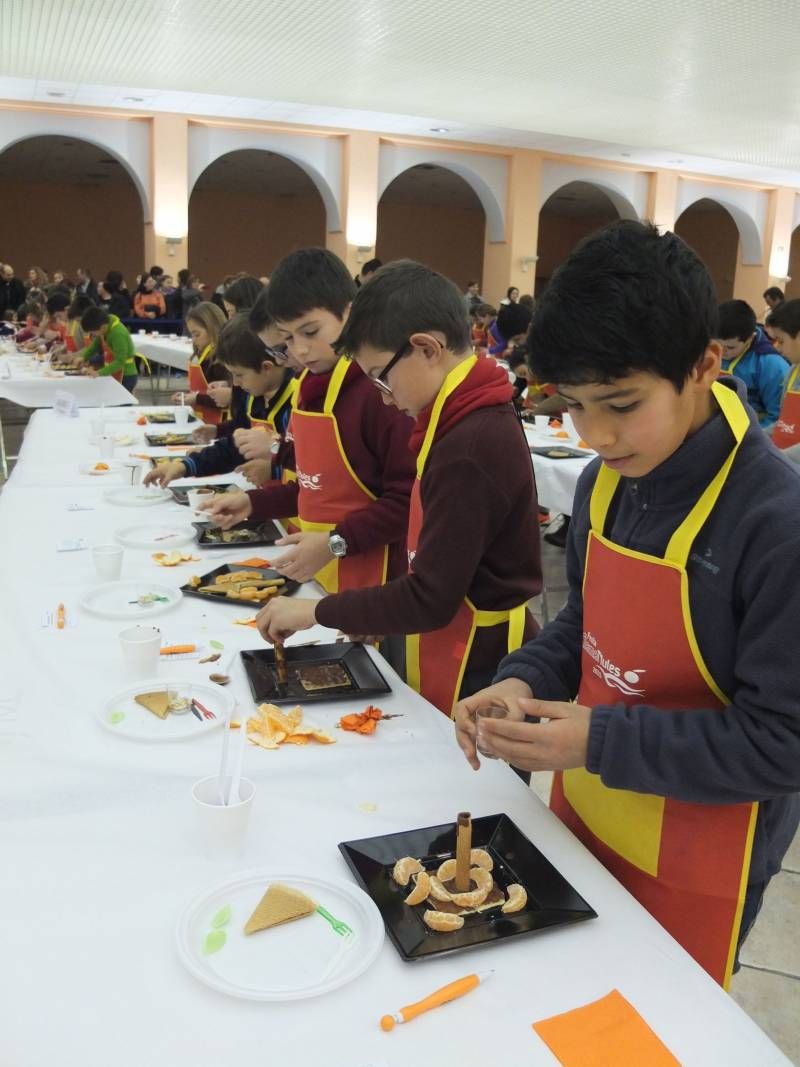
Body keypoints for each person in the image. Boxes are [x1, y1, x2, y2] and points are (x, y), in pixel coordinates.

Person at [453, 219, 800, 991]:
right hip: (588, 814)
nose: (597, 434)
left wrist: (601, 741)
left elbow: (781, 744)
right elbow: (588, 621)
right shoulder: (600, 480)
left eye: (621, 402)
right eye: (575, 405)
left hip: (706, 855)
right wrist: (523, 678)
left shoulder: (775, 523)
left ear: (705, 364)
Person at [251, 259, 542, 715]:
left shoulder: (470, 443)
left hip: (476, 658)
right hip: (438, 634)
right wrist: (377, 615)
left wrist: (315, 613)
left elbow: (430, 598)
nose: (383, 396)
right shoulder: (452, 418)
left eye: (381, 377)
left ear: (426, 349)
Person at [201, 247, 415, 593]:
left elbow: (408, 501)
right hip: (322, 570)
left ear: (349, 313)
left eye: (311, 332)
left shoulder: (380, 393)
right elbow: (316, 487)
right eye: (287, 339)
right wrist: (252, 503)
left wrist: (334, 543)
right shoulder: (308, 386)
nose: (298, 350)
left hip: (377, 580)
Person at [145, 314, 296, 491]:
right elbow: (234, 447)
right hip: (271, 503)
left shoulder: (297, 400)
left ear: (267, 368)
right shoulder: (252, 394)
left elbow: (315, 464)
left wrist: (275, 470)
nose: (236, 384)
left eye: (239, 375)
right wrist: (184, 466)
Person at [716, 299, 788, 430]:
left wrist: (750, 439)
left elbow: (777, 418)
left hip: (751, 433)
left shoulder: (771, 365)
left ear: (751, 337)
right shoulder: (707, 351)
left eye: (730, 347)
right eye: (717, 344)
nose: (721, 351)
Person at [171, 302, 230, 423]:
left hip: (219, 422)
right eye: (192, 334)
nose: (194, 339)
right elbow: (202, 389)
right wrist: (188, 396)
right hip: (202, 418)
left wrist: (196, 398)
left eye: (197, 334)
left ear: (212, 328)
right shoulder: (203, 355)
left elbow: (225, 399)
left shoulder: (220, 359)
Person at [764, 299, 800, 461]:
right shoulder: (793, 371)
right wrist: (756, 437)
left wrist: (779, 459)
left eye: (781, 341)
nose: (777, 347)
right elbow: (784, 424)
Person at [73, 306, 138, 393]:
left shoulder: (118, 334)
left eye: (93, 332)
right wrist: (83, 357)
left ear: (102, 327)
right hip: (112, 371)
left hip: (126, 375)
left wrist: (99, 373)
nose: (93, 335)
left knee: (120, 404)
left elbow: (120, 361)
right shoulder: (105, 326)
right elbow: (95, 346)